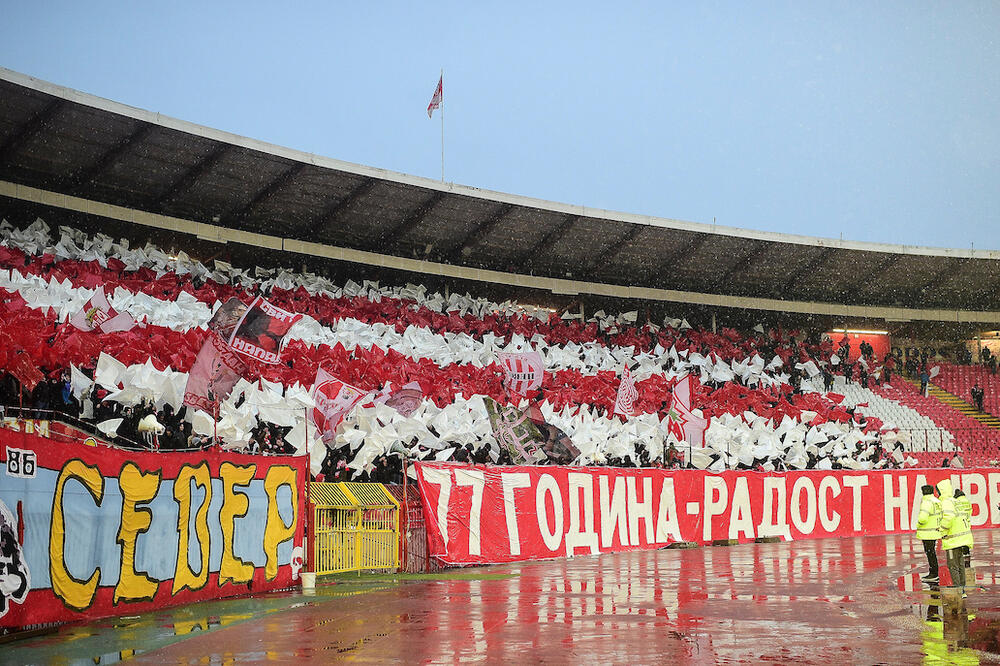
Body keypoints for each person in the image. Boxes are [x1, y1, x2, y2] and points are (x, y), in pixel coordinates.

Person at [938, 478, 973, 597]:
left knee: (953, 565)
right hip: (962, 537)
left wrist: (942, 529)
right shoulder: (955, 501)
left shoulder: (946, 502)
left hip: (953, 539)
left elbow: (948, 517)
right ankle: (962, 588)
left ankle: (958, 589)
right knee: (960, 564)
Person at [915, 485, 942, 583]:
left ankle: (934, 573)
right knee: (932, 553)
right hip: (935, 531)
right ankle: (934, 572)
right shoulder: (937, 501)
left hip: (927, 533)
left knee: (930, 553)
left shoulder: (926, 502)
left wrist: (918, 524)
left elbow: (923, 518)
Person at [954, 489, 973, 570]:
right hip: (967, 522)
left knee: (961, 538)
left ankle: (962, 553)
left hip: (961, 523)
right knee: (966, 539)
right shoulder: (967, 501)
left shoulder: (957, 501)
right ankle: (967, 552)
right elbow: (970, 511)